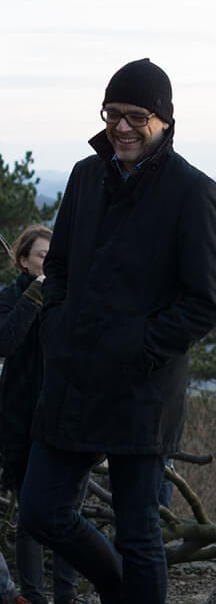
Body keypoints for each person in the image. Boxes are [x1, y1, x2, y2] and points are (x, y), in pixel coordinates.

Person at [19, 58, 216, 604]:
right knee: (42, 510)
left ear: (163, 121)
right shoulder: (86, 176)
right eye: (113, 114)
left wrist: (140, 348)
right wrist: (56, 326)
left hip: (142, 388)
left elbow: (206, 301)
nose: (121, 127)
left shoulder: (192, 191)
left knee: (139, 532)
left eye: (136, 116)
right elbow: (58, 266)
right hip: (73, 377)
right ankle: (118, 589)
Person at [0, 226, 84, 604]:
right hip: (20, 422)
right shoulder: (10, 297)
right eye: (40, 256)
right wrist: (34, 296)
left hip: (66, 420)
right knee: (30, 518)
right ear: (22, 260)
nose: (48, 263)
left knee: (68, 513)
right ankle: (32, 597)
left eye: (54, 256)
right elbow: (6, 341)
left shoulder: (69, 299)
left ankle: (66, 594)